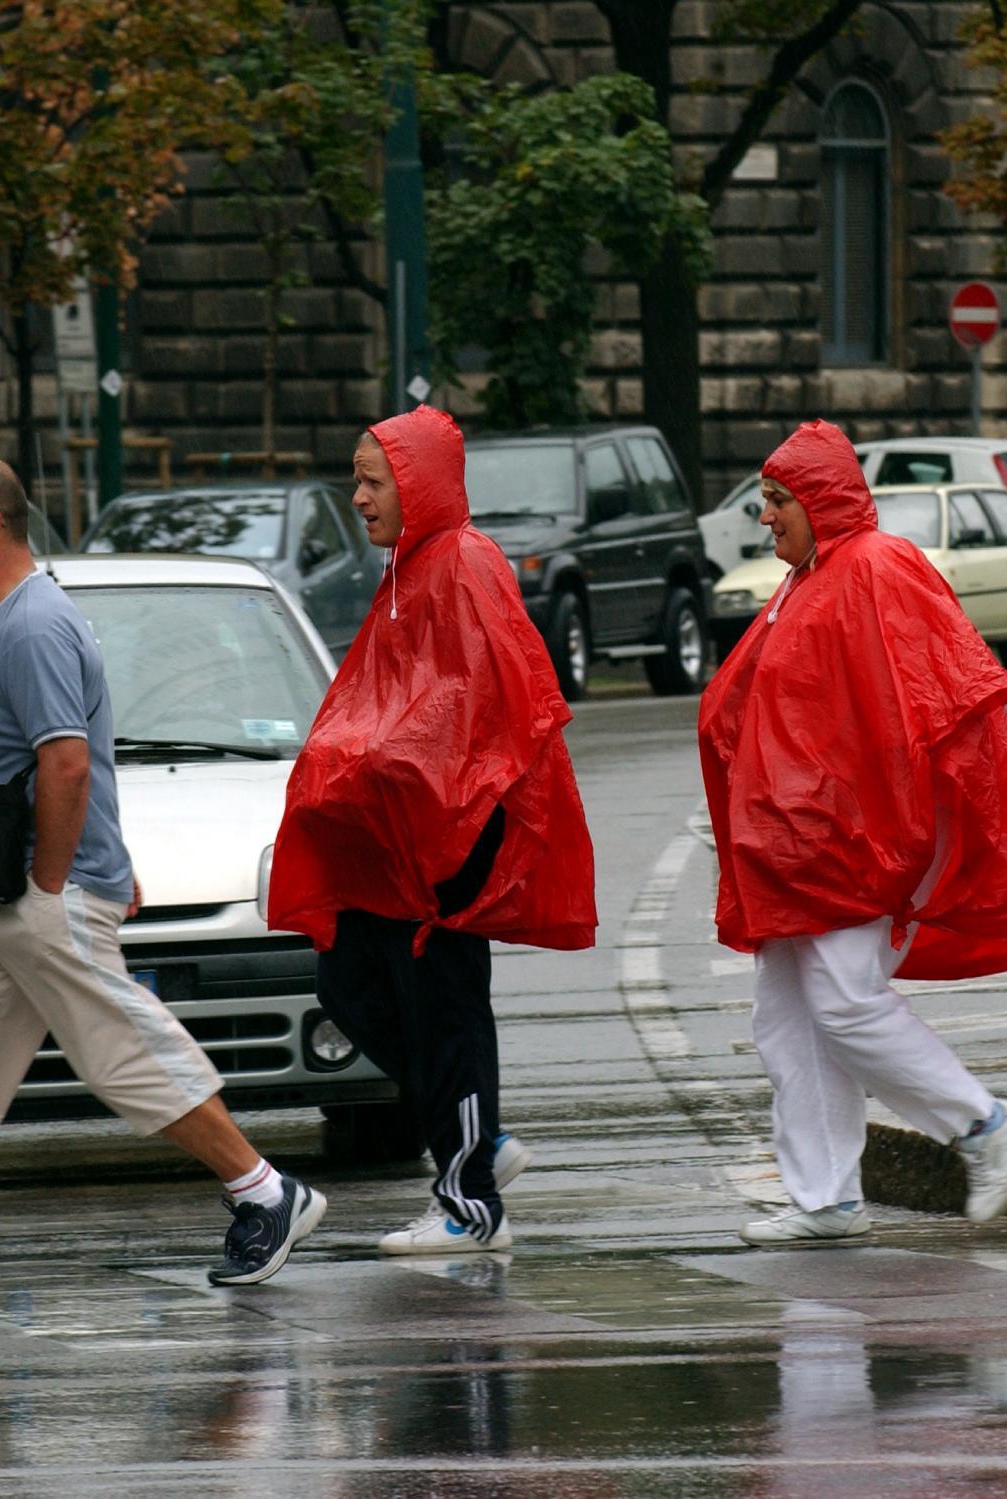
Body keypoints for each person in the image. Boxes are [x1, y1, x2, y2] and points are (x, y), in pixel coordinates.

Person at [0, 456, 324, 1297]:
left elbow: (70, 763)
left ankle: (266, 1193)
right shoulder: (2, 617)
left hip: (42, 889)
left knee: (119, 1050)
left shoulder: (36, 624)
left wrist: (52, 886)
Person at [697, 420, 1007, 1244]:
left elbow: (939, 701)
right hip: (803, 842)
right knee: (791, 1012)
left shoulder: (874, 567)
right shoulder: (809, 577)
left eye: (779, 499)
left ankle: (983, 1123)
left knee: (840, 997)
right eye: (764, 499)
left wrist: (921, 831)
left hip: (854, 839)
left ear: (820, 500)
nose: (765, 516)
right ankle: (824, 1195)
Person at [268, 405, 596, 1255]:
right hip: (404, 827)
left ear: (416, 485)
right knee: (350, 985)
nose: (358, 495)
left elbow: (480, 700)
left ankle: (469, 1201)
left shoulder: (461, 564)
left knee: (444, 1007)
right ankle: (476, 1141)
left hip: (448, 828)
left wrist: (379, 756)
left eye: (373, 479)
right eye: (357, 477)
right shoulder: (410, 570)